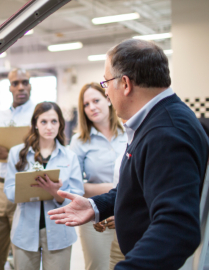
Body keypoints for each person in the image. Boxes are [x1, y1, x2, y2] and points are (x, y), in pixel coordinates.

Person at [48, 39, 209, 270]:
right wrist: (96, 206)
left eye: (106, 82)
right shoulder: (156, 121)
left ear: (125, 84)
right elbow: (138, 186)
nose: (105, 91)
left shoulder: (165, 133)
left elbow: (177, 227)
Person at [4, 102, 84, 270]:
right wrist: (29, 187)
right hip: (25, 233)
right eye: (44, 122)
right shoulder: (17, 154)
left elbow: (77, 196)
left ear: (60, 124)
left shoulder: (69, 157)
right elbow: (9, 192)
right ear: (35, 124)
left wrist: (56, 193)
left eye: (54, 121)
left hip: (60, 232)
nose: (49, 127)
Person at [69, 82, 127, 270]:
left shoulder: (129, 132)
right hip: (96, 214)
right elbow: (74, 184)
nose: (92, 107)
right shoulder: (79, 141)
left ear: (108, 100)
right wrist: (114, 189)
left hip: (127, 211)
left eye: (96, 100)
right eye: (86, 104)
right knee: (98, 266)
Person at [0, 68, 36, 270]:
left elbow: (46, 151)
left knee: (24, 252)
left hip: (25, 187)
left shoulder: (38, 114)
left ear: (30, 85)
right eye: (15, 83)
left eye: (25, 82)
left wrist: (14, 155)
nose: (20, 86)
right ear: (9, 87)